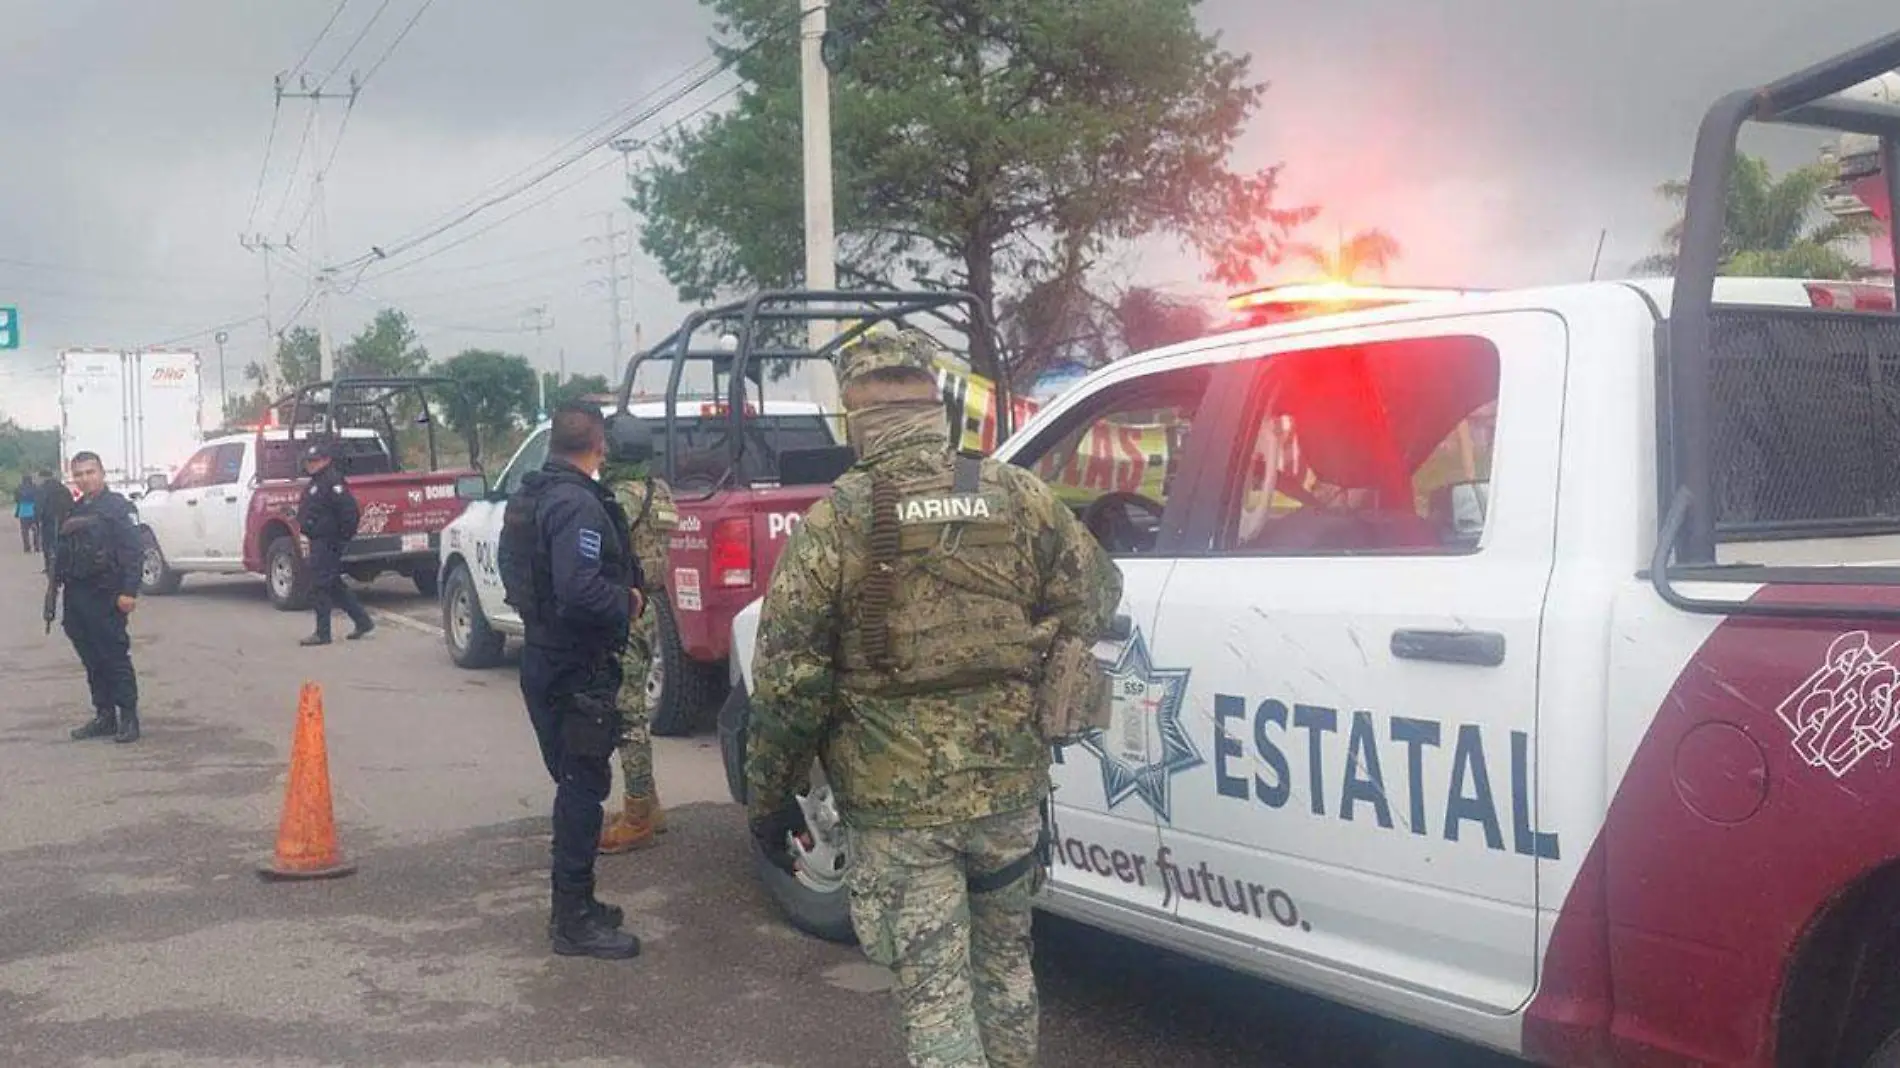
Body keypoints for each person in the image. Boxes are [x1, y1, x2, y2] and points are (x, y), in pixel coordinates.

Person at [745, 328, 1123, 1068]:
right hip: (1008, 790)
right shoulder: (1015, 493)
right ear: (935, 404)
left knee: (937, 997)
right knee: (1007, 971)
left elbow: (790, 682)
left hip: (899, 811)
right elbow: (1098, 593)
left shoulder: (839, 521)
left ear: (856, 418)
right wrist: (1023, 647)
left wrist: (770, 798)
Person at [497, 401, 645, 960]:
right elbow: (579, 588)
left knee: (575, 783)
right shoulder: (575, 505)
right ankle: (573, 919)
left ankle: (579, 903)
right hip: (574, 665)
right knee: (583, 790)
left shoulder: (532, 494)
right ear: (599, 444)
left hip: (544, 655)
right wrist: (625, 601)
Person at [598, 452, 679, 854]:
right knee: (634, 711)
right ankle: (649, 803)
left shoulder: (618, 498)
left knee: (628, 715)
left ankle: (637, 817)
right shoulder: (658, 489)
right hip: (650, 605)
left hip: (626, 609)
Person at [54, 452, 145, 744]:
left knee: (113, 655)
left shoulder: (118, 508)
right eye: (78, 474)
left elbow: (134, 551)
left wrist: (129, 591)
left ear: (102, 473)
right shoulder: (75, 509)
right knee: (92, 658)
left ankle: (128, 716)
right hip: (78, 594)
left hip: (107, 594)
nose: (84, 479)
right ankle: (104, 714)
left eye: (89, 472)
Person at [296, 439, 375, 647]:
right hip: (318, 539)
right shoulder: (317, 482)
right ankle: (363, 621)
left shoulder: (333, 482)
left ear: (326, 460)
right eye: (309, 461)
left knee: (320, 586)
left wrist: (341, 538)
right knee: (333, 584)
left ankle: (323, 633)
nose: (310, 464)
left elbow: (349, 513)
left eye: (315, 460)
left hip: (328, 541)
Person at [36, 469, 70, 575]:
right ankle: (63, 565)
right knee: (62, 543)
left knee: (48, 545)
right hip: (63, 520)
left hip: (48, 521)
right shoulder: (63, 488)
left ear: (43, 477)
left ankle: (49, 567)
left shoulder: (42, 489)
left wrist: (37, 519)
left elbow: (39, 505)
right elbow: (70, 502)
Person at [15, 472, 37, 553]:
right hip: (34, 511)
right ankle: (37, 546)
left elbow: (17, 500)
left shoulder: (19, 488)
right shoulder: (34, 487)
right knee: (36, 530)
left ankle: (27, 548)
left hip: (23, 512)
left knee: (24, 531)